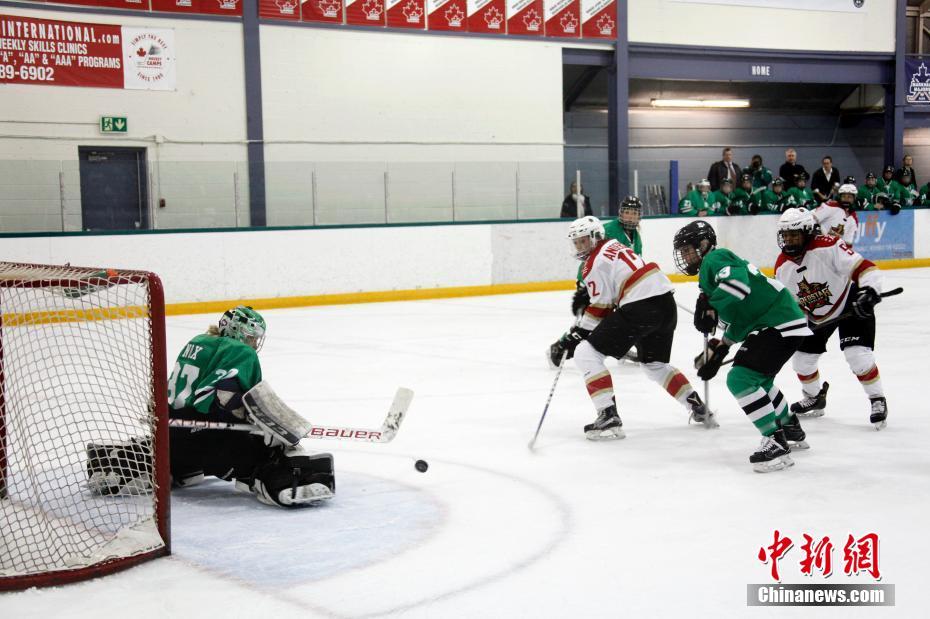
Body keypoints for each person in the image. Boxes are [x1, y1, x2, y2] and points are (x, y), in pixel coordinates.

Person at [87, 306, 336, 507]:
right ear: (238, 333)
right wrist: (269, 429)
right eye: (251, 337)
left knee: (181, 450)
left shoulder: (198, 342)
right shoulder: (242, 352)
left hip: (169, 439)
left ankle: (142, 461)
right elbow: (222, 396)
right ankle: (279, 480)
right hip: (210, 444)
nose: (254, 343)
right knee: (269, 452)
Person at [674, 220, 812, 472]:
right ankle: (789, 426)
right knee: (760, 381)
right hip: (778, 321)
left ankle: (775, 441)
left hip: (778, 322)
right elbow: (743, 315)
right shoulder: (711, 274)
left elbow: (738, 285)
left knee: (740, 379)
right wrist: (722, 347)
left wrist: (711, 304)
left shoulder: (714, 259)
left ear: (703, 245)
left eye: (687, 250)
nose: (684, 257)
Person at [559, 216, 713, 440]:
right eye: (576, 242)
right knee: (654, 365)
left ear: (595, 237)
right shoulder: (615, 245)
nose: (580, 247)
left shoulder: (592, 264)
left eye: (583, 241)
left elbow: (602, 306)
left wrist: (577, 334)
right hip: (666, 304)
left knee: (585, 353)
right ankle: (696, 405)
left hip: (641, 307)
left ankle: (608, 415)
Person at [774, 208, 888, 429]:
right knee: (802, 361)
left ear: (807, 232)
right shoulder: (782, 267)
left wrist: (870, 291)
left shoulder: (828, 246)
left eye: (794, 234)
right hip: (816, 315)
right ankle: (814, 397)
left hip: (850, 303)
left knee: (857, 356)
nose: (788, 240)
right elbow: (790, 304)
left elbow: (865, 268)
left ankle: (877, 398)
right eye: (785, 235)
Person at [548, 197, 644, 367]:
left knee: (625, 316)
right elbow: (591, 256)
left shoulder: (636, 236)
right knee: (591, 321)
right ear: (621, 213)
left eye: (634, 213)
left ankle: (622, 346)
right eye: (627, 212)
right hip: (594, 281)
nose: (630, 217)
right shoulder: (608, 230)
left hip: (614, 285)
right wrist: (585, 285)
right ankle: (560, 347)